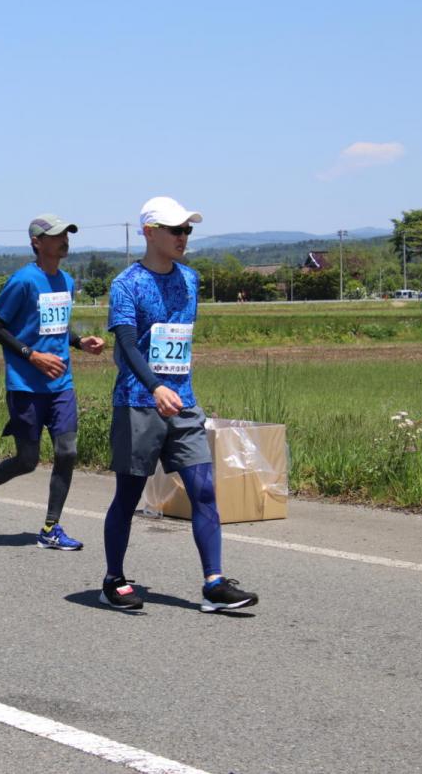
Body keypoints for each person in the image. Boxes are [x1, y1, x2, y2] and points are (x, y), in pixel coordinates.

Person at [101, 197, 259, 613]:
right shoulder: (126, 284)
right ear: (150, 232)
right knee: (128, 496)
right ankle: (113, 580)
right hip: (138, 402)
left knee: (204, 490)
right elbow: (128, 344)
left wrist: (173, 389)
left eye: (187, 230)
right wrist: (154, 386)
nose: (183, 237)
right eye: (175, 229)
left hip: (184, 402)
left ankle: (214, 583)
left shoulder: (190, 280)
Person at [0, 213, 105, 550]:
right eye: (56, 235)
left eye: (66, 234)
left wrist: (79, 342)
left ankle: (51, 528)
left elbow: (55, 328)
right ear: (37, 242)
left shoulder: (67, 281)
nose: (64, 240)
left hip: (61, 385)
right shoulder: (23, 281)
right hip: (26, 384)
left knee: (67, 451)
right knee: (27, 460)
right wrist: (33, 356)